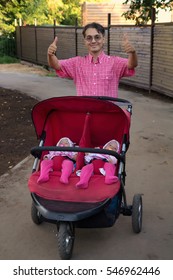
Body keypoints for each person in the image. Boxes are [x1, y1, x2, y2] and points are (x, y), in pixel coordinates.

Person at [47, 22, 138, 98]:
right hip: (85, 116)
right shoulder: (77, 63)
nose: (93, 41)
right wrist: (50, 54)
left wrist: (132, 53)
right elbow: (56, 65)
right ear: (85, 41)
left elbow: (131, 65)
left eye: (97, 37)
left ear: (103, 40)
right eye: (89, 38)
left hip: (108, 116)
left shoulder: (114, 62)